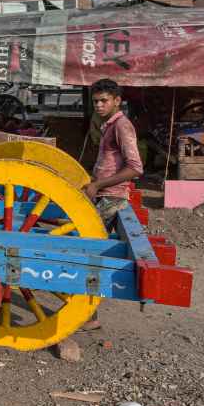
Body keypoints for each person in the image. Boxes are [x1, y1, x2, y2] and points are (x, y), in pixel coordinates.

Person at [80, 78, 143, 331]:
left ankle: (89, 315)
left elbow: (136, 168)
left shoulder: (122, 126)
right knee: (90, 250)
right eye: (95, 101)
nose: (98, 105)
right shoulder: (109, 125)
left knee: (88, 251)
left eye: (104, 100)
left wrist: (98, 185)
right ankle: (89, 313)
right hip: (106, 195)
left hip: (112, 198)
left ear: (117, 101)